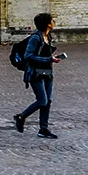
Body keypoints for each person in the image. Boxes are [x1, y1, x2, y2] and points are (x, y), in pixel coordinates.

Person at [15, 11, 62, 139]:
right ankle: (21, 116)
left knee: (48, 101)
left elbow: (45, 54)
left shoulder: (48, 36)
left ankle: (43, 129)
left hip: (48, 72)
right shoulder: (35, 37)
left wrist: (52, 58)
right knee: (42, 100)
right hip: (35, 73)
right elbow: (28, 56)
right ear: (47, 24)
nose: (54, 22)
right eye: (52, 20)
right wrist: (49, 59)